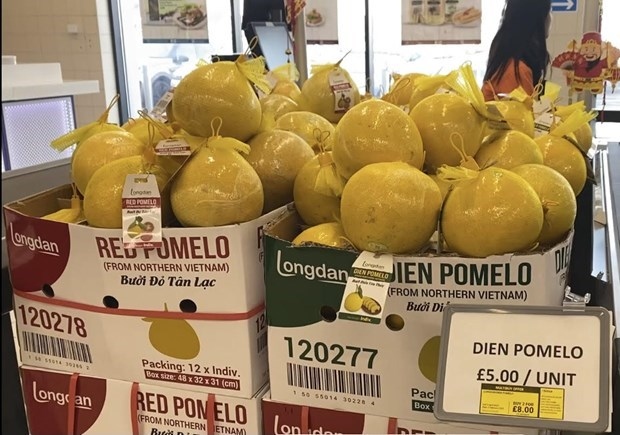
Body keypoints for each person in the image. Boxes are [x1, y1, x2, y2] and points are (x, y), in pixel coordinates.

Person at [482, 0, 552, 101]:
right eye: (549, 11)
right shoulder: (516, 71)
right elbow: (522, 115)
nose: (550, 17)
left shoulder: (510, 59)